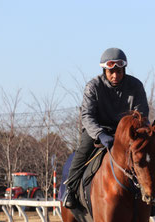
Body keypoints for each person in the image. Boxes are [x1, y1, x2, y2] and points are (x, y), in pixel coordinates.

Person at [63, 48, 149, 209]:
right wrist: (100, 134)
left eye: (118, 71)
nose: (115, 75)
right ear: (105, 71)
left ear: (124, 69)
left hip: (127, 133)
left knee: (147, 154)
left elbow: (141, 114)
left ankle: (152, 196)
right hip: (99, 132)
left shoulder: (136, 85)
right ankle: (71, 189)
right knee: (82, 151)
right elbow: (87, 116)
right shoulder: (93, 86)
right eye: (111, 72)